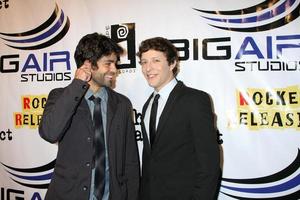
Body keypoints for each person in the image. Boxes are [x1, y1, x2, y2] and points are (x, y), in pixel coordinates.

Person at [39, 33, 140, 200]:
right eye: (108, 63)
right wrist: (77, 85)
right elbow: (50, 133)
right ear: (88, 65)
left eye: (115, 63)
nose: (114, 70)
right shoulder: (61, 96)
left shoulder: (122, 104)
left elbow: (130, 161)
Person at [137, 37, 220, 200]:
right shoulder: (147, 105)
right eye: (144, 62)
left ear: (172, 63)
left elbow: (209, 163)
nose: (148, 68)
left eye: (155, 60)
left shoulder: (195, 100)